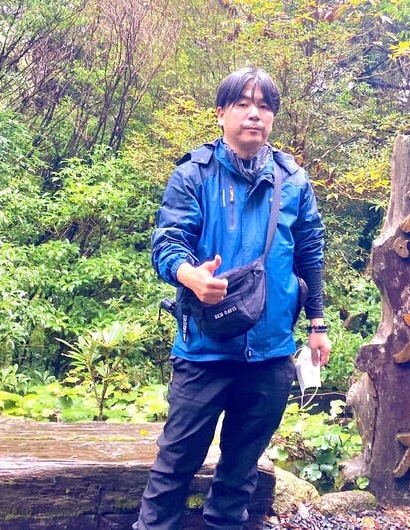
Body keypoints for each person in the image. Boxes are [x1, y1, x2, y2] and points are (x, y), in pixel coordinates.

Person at [134, 67, 332, 530]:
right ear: (221, 113)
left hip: (271, 351)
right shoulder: (193, 175)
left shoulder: (293, 181)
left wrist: (318, 324)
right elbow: (168, 242)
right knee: (175, 464)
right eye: (242, 104)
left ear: (273, 117)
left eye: (264, 106)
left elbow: (310, 253)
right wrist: (190, 276)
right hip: (205, 348)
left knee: (240, 472)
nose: (254, 114)